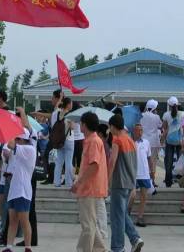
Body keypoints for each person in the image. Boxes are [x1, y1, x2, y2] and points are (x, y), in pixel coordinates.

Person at [71, 112, 109, 252]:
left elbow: (94, 165)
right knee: (91, 224)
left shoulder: (93, 141)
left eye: (80, 123)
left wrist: (79, 182)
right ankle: (100, 249)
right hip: (92, 188)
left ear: (84, 125)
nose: (79, 125)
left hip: (89, 189)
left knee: (88, 226)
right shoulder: (93, 140)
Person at [107, 115, 144, 252]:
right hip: (129, 182)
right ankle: (135, 239)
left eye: (109, 128)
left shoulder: (117, 139)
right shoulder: (130, 140)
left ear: (112, 126)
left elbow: (112, 161)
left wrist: (107, 182)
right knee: (121, 213)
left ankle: (117, 247)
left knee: (116, 217)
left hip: (119, 182)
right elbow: (135, 164)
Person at [4, 108, 37, 252]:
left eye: (18, 138)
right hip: (14, 189)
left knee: (24, 221)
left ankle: (28, 247)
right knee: (12, 220)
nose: (16, 140)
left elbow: (10, 144)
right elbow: (7, 152)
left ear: (22, 139)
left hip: (23, 190)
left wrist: (8, 127)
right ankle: (9, 247)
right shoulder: (19, 150)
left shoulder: (29, 149)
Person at [131, 123, 153, 227]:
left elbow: (149, 158)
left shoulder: (146, 142)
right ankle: (127, 214)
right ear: (133, 131)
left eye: (141, 130)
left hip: (144, 173)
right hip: (133, 174)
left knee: (144, 196)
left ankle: (140, 217)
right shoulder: (130, 143)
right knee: (132, 196)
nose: (139, 132)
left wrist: (151, 171)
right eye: (137, 130)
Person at [162, 96, 184, 188]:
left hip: (169, 141)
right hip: (180, 140)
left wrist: (163, 138)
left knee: (169, 161)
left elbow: (164, 127)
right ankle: (181, 180)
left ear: (169, 105)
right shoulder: (183, 114)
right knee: (181, 161)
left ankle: (168, 181)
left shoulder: (166, 114)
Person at [53, 98, 74, 187]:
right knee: (68, 162)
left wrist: (60, 99)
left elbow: (56, 108)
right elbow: (72, 127)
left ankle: (57, 182)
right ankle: (69, 182)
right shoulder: (70, 115)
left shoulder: (58, 113)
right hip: (69, 140)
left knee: (59, 162)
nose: (72, 105)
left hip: (60, 141)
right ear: (68, 104)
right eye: (71, 103)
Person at [140, 100, 162, 186]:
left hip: (143, 141)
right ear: (155, 108)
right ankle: (152, 181)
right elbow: (160, 126)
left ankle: (143, 179)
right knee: (152, 161)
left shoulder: (141, 115)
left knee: (143, 161)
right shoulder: (156, 117)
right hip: (153, 142)